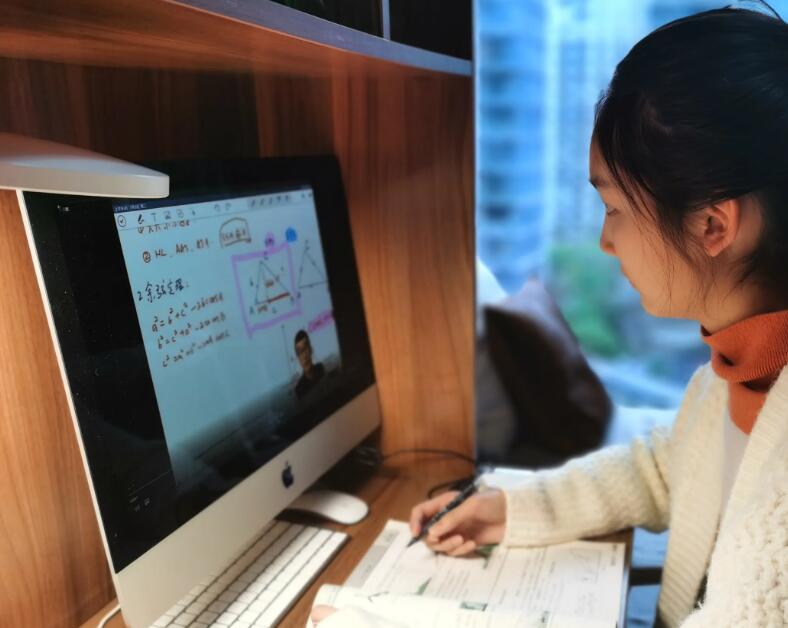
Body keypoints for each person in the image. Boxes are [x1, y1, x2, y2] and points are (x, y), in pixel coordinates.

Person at [313, 5, 788, 627]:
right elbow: (666, 470)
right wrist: (510, 509)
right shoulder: (726, 374)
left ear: (712, 225)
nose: (604, 242)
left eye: (614, 209)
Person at [294, 329, 326, 400]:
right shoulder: (299, 389)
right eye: (299, 352)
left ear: (311, 349)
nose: (304, 356)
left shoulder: (320, 368)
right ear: (298, 358)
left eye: (305, 348)